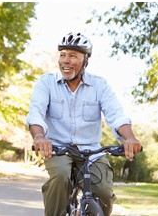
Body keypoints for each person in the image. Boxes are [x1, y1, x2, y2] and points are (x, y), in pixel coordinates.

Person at [28, 33, 141, 216]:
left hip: (91, 152)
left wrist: (129, 138)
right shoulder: (46, 83)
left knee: (103, 191)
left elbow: (115, 114)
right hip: (58, 149)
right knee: (60, 177)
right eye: (63, 55)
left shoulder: (99, 85)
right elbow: (36, 113)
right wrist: (39, 137)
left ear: (86, 60)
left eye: (73, 56)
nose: (66, 60)